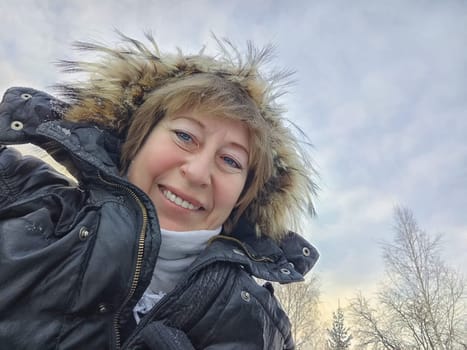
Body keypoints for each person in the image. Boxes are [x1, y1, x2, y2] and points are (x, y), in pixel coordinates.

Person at [0, 32, 319, 349]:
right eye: (185, 136)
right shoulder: (22, 197)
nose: (197, 173)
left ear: (244, 195)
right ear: (137, 141)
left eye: (230, 160)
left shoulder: (261, 330)